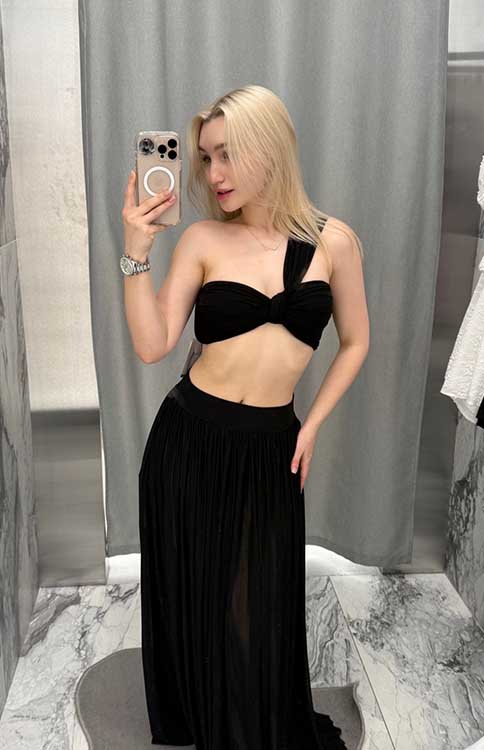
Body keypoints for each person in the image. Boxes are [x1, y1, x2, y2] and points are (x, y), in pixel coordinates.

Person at [122, 85, 369, 749]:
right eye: (206, 158)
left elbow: (357, 341)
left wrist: (312, 424)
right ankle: (201, 719)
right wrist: (135, 250)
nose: (214, 173)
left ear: (271, 147)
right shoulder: (202, 239)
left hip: (269, 446)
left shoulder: (335, 242)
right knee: (195, 591)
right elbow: (152, 344)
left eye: (228, 154)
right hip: (188, 440)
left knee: (254, 605)